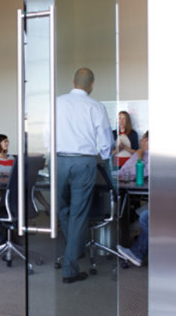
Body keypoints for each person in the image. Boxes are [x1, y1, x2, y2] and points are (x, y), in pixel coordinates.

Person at [56, 67, 115, 283]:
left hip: (59, 160)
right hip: (84, 162)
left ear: (73, 82)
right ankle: (71, 266)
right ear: (92, 85)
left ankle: (73, 247)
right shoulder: (96, 106)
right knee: (78, 214)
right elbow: (106, 140)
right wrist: (106, 156)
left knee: (61, 207)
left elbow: (46, 133)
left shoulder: (57, 102)